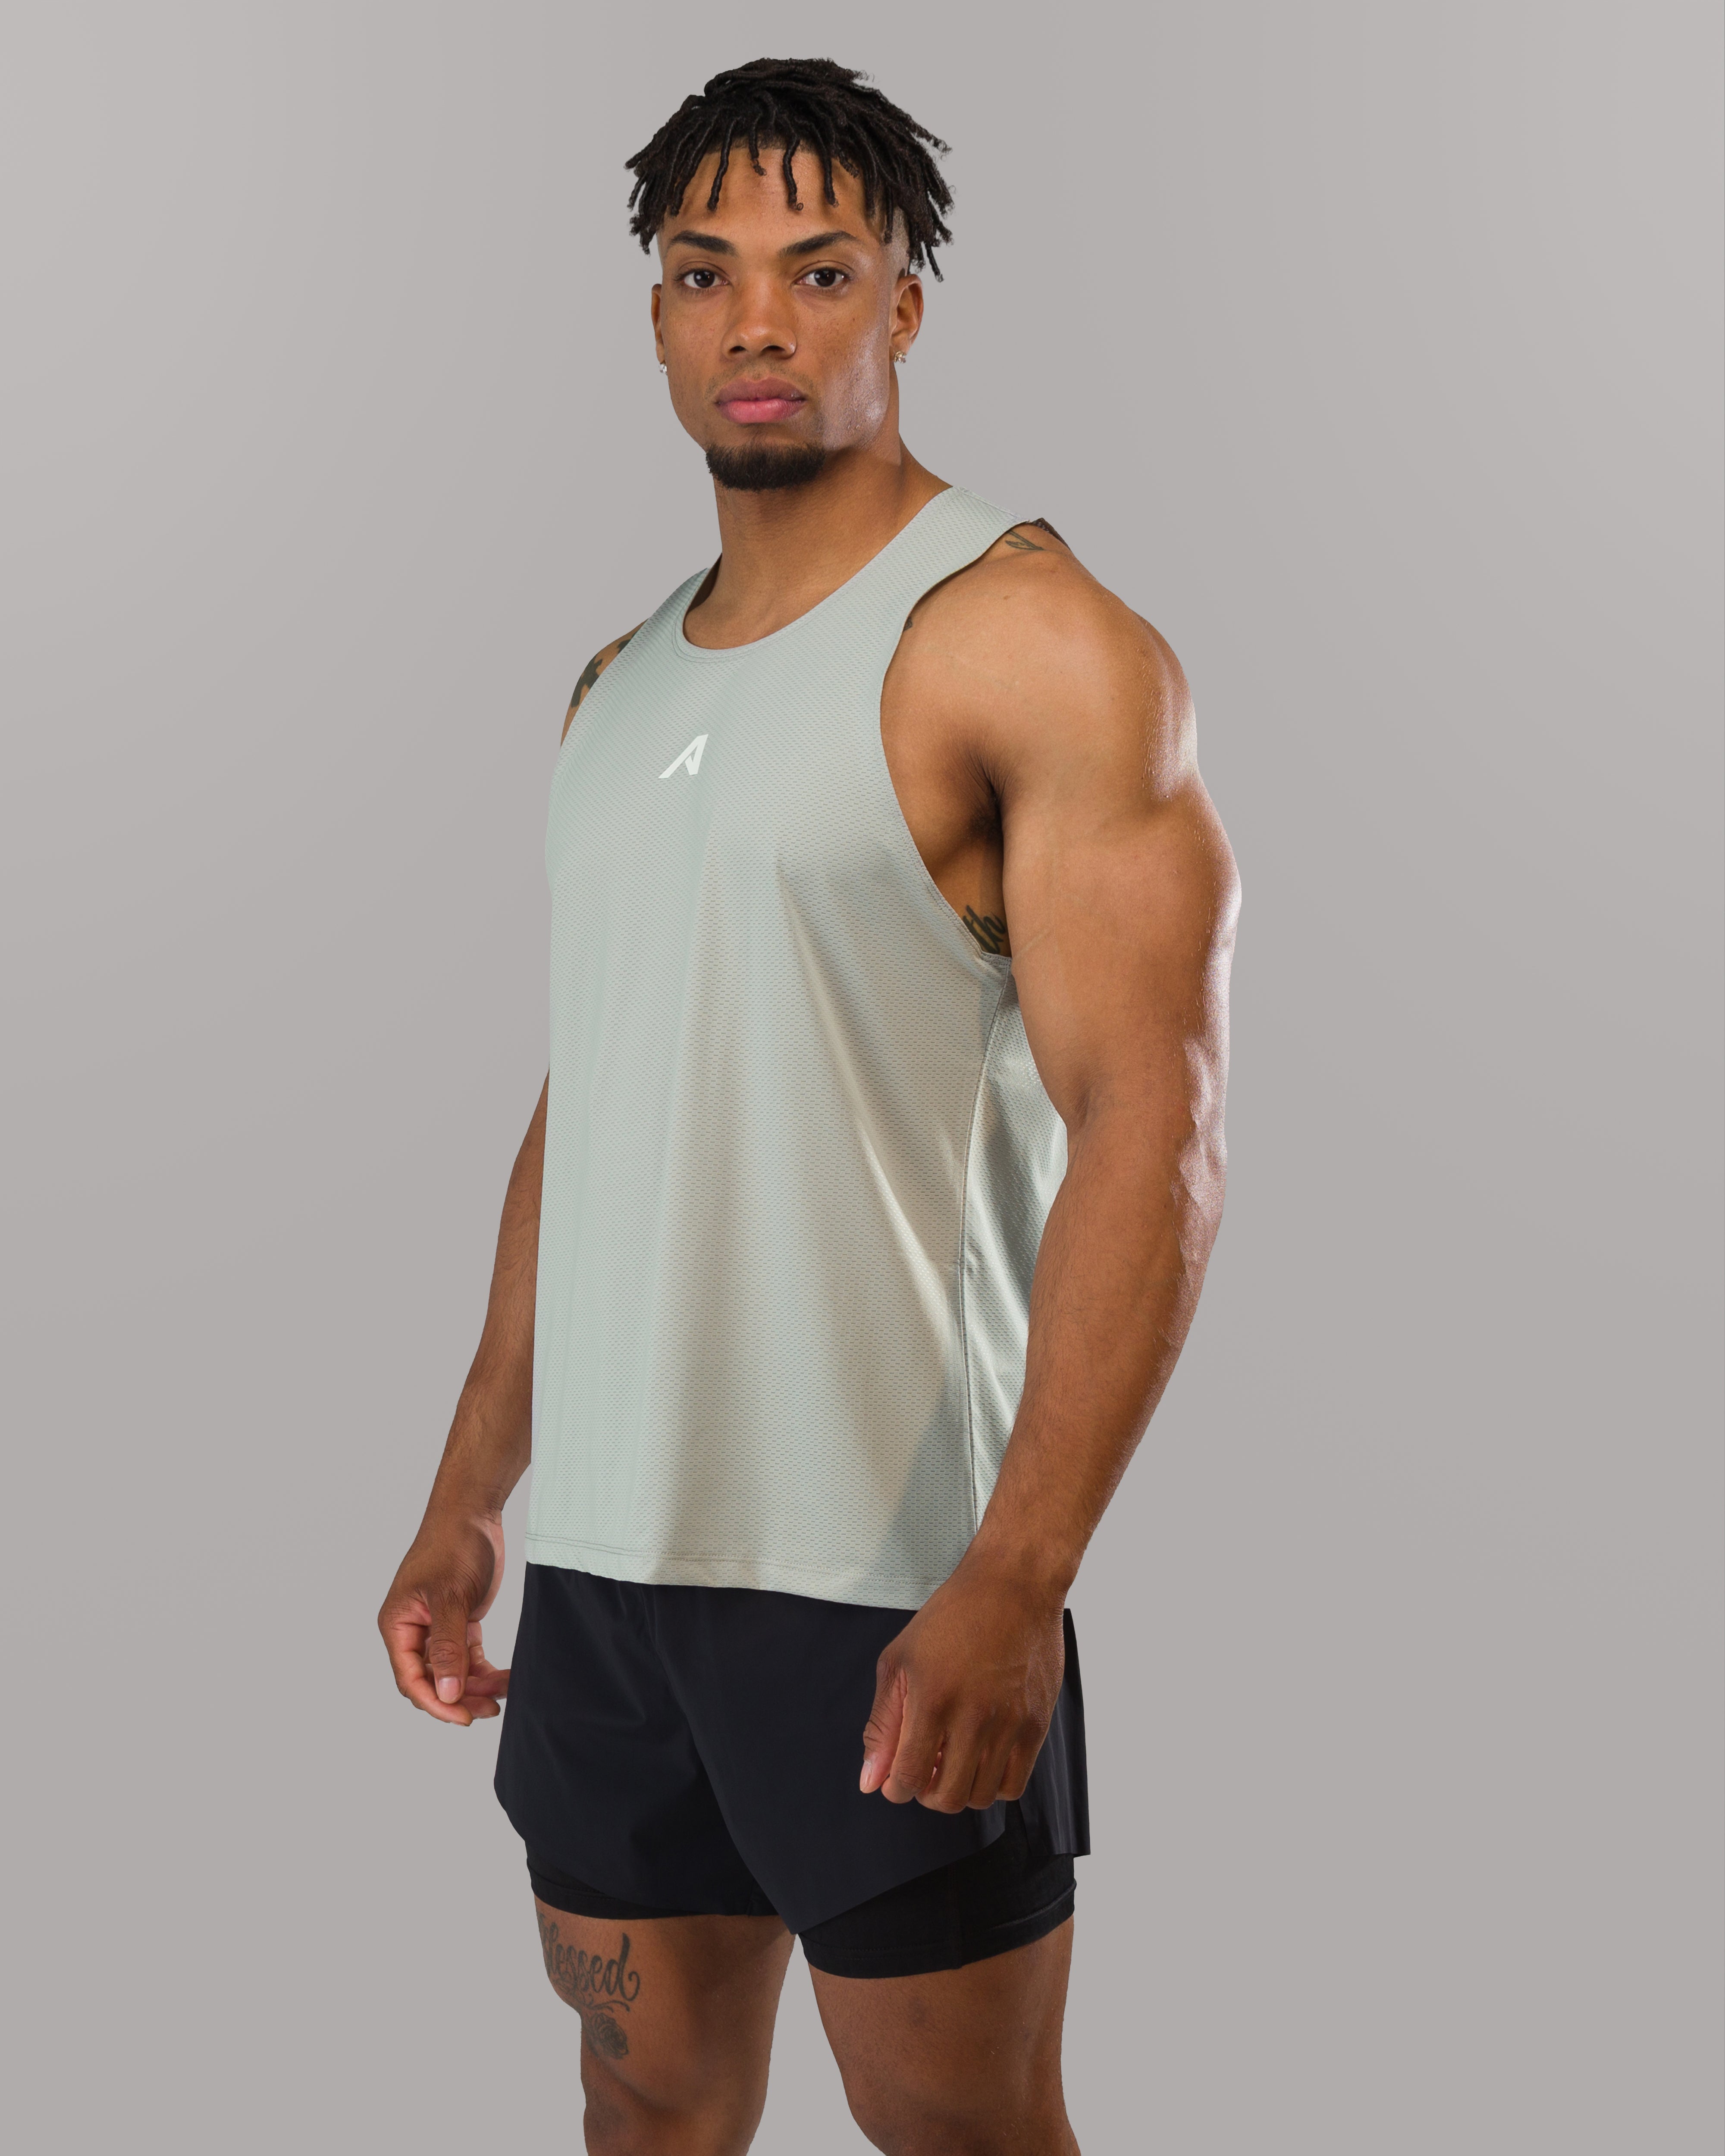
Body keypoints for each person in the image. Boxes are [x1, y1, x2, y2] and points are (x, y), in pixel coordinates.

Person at [378, 55, 1238, 2156]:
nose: (757, 320)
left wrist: (1017, 1571)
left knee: (961, 2131)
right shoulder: (616, 685)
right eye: (707, 273)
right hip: (605, 1573)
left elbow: (1156, 1127)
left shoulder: (1027, 642)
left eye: (818, 269)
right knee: (645, 2094)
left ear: (903, 302)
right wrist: (475, 1488)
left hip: (881, 1571)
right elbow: (603, 1092)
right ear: (658, 314)